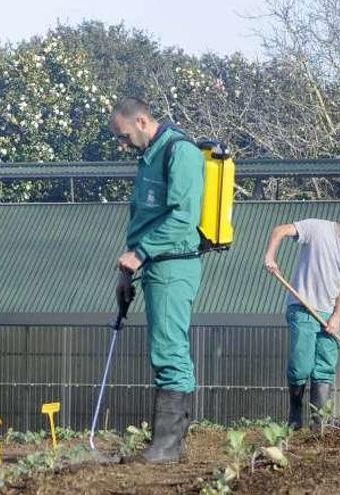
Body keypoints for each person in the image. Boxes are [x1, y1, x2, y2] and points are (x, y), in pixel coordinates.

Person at [109, 97, 205, 463]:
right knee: (164, 348)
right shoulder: (149, 157)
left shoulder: (180, 153)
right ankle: (169, 444)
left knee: (169, 349)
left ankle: (167, 446)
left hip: (173, 264)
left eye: (123, 136)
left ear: (143, 121)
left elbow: (184, 217)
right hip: (152, 263)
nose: (122, 144)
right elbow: (144, 218)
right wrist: (126, 269)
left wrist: (140, 254)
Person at [263, 204, 340, 432]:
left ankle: (319, 424)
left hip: (329, 314)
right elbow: (280, 230)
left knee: (325, 366)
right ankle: (295, 415)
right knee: (301, 365)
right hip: (302, 307)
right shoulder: (316, 228)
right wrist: (270, 256)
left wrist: (336, 317)